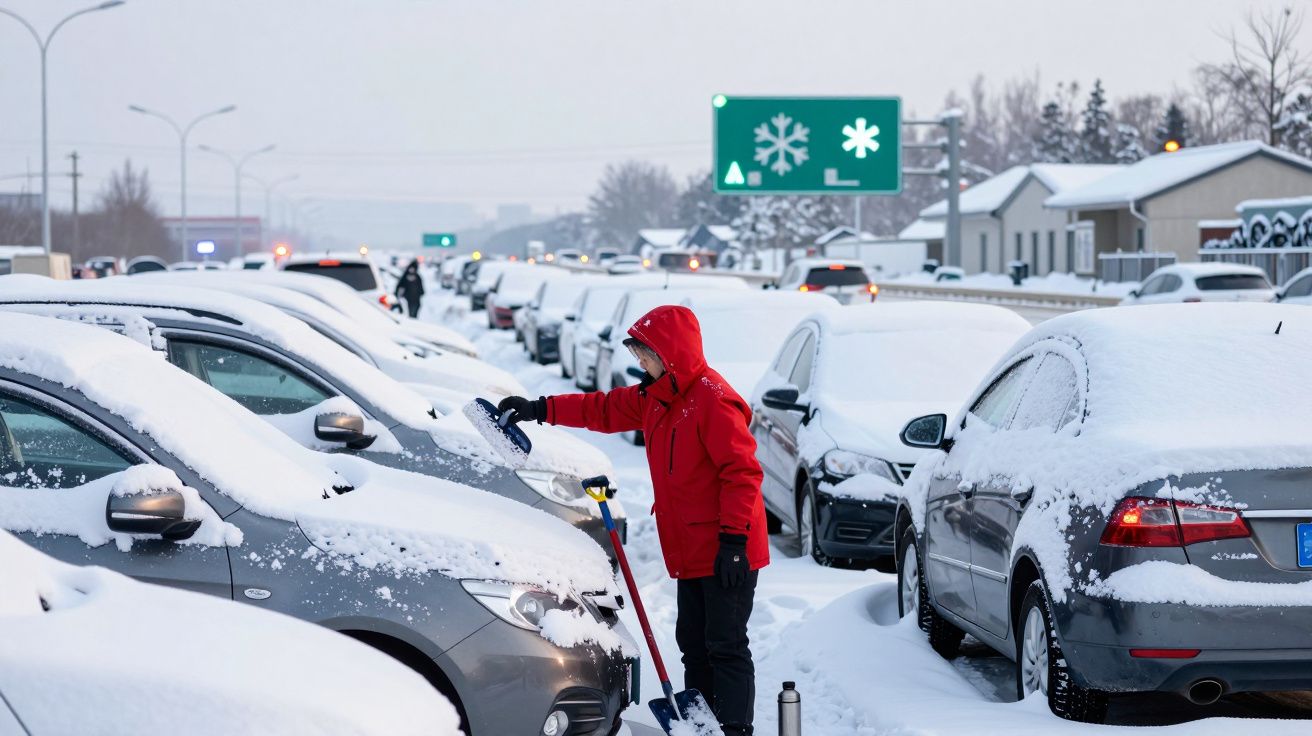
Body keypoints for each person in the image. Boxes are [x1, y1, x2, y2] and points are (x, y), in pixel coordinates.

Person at [498, 304, 768, 736]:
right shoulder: (657, 397)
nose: (639, 364)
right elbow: (600, 409)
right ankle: (705, 724)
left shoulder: (713, 401)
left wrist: (735, 543)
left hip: (726, 548)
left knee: (727, 645)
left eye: (645, 355)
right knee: (693, 646)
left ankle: (735, 728)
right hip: (690, 547)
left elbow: (743, 473)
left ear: (670, 354)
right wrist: (538, 408)